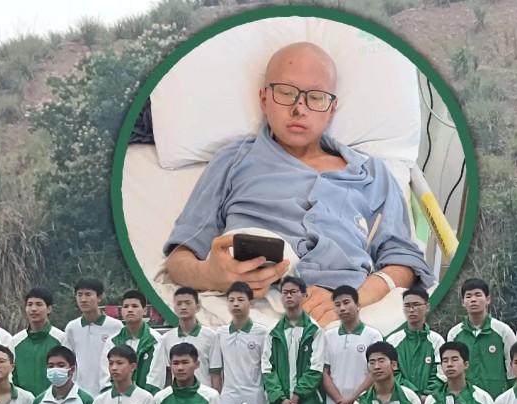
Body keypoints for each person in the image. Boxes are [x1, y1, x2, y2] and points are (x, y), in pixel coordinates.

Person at [163, 42, 434, 316]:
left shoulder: (372, 174)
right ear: (264, 99)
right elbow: (179, 259)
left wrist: (355, 297)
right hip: (250, 307)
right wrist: (210, 275)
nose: (299, 108)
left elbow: (405, 263)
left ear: (331, 109)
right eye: (286, 92)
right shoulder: (233, 161)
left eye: (315, 97)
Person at [261, 277, 326, 404]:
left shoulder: (314, 330)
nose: (288, 296)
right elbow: (267, 369)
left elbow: (315, 368)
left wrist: (296, 397)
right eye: (285, 292)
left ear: (304, 296)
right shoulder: (273, 332)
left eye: (293, 292)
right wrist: (281, 399)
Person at [446, 279, 516, 399]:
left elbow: (512, 368)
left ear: (487, 299)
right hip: (465, 398)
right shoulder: (454, 334)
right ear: (463, 302)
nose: (473, 299)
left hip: (497, 397)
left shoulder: (503, 331)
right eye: (468, 296)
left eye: (478, 295)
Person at [323, 285, 381, 404]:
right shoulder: (328, 336)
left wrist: (353, 400)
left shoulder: (373, 335)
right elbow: (324, 373)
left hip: (363, 402)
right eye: (337, 305)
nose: (342, 308)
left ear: (358, 306)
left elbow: (374, 372)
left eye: (346, 302)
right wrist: (340, 400)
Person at [216, 281, 270, 404]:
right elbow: (216, 370)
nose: (235, 304)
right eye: (231, 300)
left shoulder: (262, 333)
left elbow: (268, 368)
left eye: (240, 299)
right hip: (228, 401)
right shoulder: (220, 333)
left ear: (251, 303)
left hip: (255, 399)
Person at [64, 277, 124, 393]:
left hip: (108, 390)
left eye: (88, 294)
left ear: (99, 298)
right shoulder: (72, 328)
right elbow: (69, 360)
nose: (83, 299)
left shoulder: (116, 326)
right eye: (79, 295)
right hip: (79, 391)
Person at [98, 290, 164, 395]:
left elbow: (156, 378)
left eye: (134, 306)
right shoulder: (113, 341)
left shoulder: (156, 340)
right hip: (116, 401)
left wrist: (140, 399)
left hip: (146, 402)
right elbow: (105, 376)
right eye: (126, 306)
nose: (129, 310)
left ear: (145, 310)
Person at [384, 286, 445, 399]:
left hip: (430, 401)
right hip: (401, 400)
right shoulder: (393, 341)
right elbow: (392, 373)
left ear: (427, 307)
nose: (411, 310)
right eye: (407, 306)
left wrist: (427, 396)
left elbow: (440, 373)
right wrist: (413, 395)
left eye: (416, 305)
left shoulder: (437, 341)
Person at [159, 287, 223, 390]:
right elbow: (168, 374)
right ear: (174, 308)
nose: (183, 307)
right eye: (179, 304)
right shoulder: (167, 338)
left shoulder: (211, 336)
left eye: (188, 303)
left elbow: (215, 373)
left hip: (202, 397)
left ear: (198, 307)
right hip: (177, 397)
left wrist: (215, 400)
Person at [11, 288, 66, 395]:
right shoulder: (16, 341)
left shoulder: (61, 339)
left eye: (39, 304)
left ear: (49, 309)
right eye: (30, 304)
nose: (33, 309)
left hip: (53, 401)